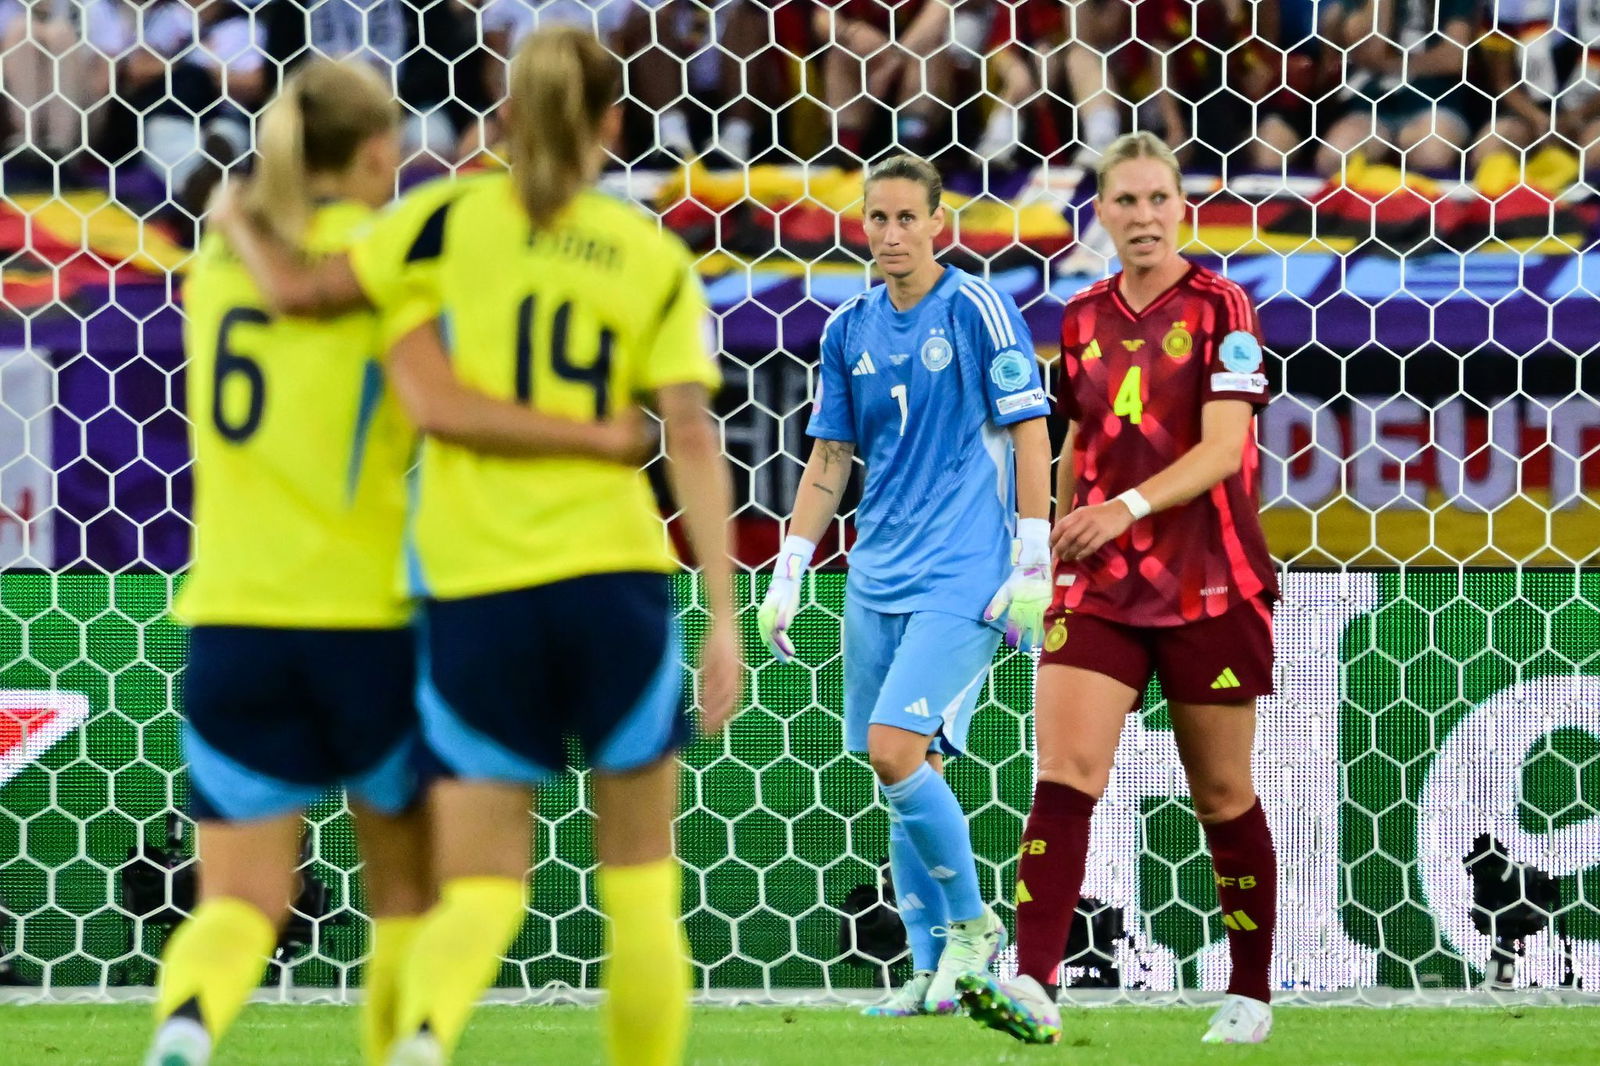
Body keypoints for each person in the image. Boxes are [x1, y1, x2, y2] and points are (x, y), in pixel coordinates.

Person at [219, 25, 742, 1066]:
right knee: (640, 879)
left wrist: (236, 219)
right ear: (613, 122)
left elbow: (301, 294)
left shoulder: (440, 222)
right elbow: (688, 430)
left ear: (499, 115)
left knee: (479, 886)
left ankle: (420, 1039)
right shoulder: (648, 253)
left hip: (476, 586)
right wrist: (723, 615)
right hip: (615, 581)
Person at [958, 131, 1279, 1046]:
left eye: (1156, 200)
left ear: (1185, 208)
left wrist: (1124, 508)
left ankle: (1251, 991)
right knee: (1064, 772)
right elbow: (1070, 445)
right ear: (1099, 213)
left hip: (1209, 582)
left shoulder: (1226, 309)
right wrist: (1046, 556)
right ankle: (1031, 982)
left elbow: (1225, 450)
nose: (1142, 217)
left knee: (1221, 794)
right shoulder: (1081, 317)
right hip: (1098, 584)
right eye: (1124, 202)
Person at [757, 154, 1054, 1017]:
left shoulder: (976, 310)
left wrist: (1032, 557)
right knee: (901, 770)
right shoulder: (847, 328)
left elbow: (1031, 432)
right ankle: (934, 977)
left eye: (905, 219)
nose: (890, 235)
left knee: (894, 748)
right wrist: (789, 570)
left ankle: (973, 928)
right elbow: (830, 458)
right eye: (876, 219)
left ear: (937, 223)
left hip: (964, 571)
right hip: (874, 571)